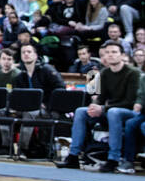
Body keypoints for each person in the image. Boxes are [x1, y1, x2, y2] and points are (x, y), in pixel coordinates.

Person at [58, 40, 142, 173]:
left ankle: (113, 159)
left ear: (122, 55)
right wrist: (94, 106)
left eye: (114, 52)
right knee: (81, 111)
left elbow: (131, 102)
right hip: (111, 110)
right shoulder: (104, 73)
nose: (110, 55)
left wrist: (102, 109)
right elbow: (100, 98)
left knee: (113, 112)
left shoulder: (133, 73)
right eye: (107, 52)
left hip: (130, 112)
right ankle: (73, 156)